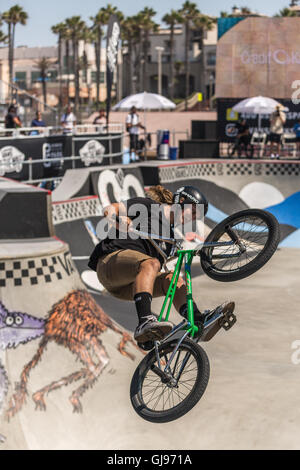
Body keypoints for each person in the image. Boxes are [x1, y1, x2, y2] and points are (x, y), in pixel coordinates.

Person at [89, 185, 235, 348]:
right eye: (193, 212)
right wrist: (118, 219)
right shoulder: (148, 206)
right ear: (181, 201)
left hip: (129, 287)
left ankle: (197, 319)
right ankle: (144, 322)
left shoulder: (170, 239)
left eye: (196, 217)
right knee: (151, 263)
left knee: (172, 278)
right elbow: (111, 208)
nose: (192, 219)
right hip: (110, 265)